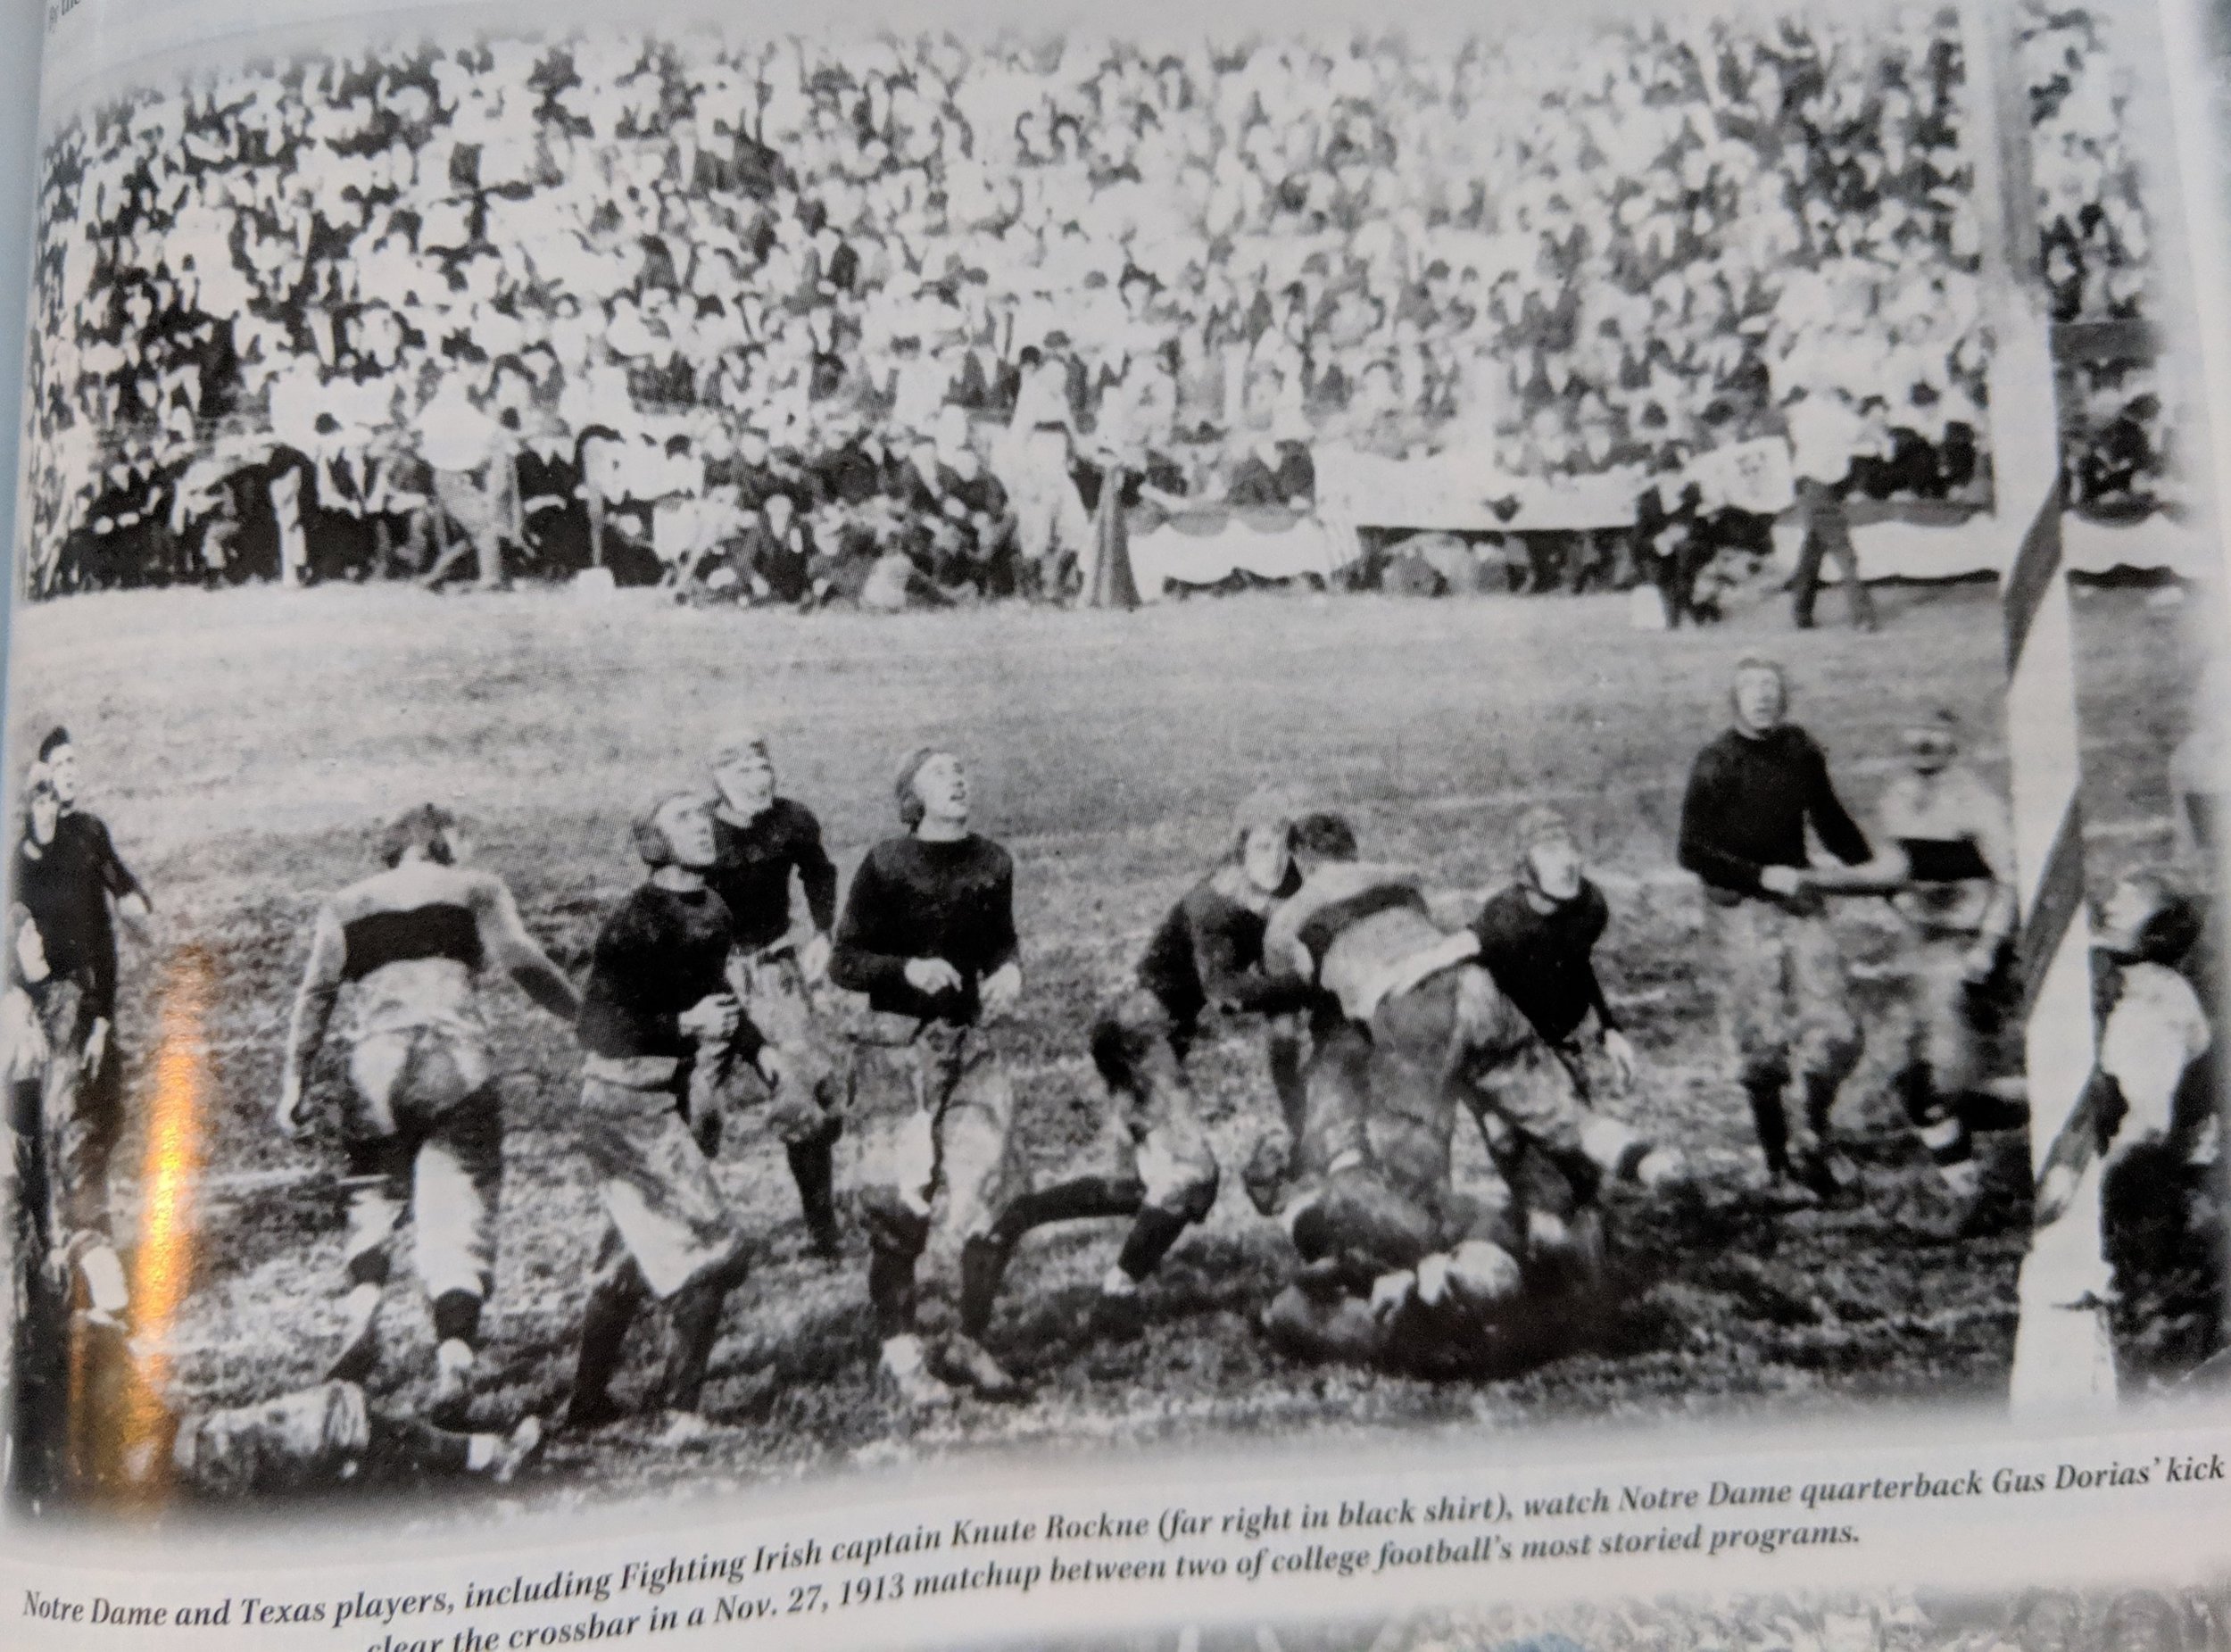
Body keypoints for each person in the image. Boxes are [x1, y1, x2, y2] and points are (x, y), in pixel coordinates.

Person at [966, 787, 1315, 1341]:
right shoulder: (1215, 901)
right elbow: (1224, 991)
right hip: (1135, 1034)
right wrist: (1307, 983)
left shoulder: (1284, 886)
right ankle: (1115, 1296)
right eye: (1263, 844)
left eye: (1284, 845)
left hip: (1149, 1036)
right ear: (1240, 848)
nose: (1275, 858)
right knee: (1190, 1177)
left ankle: (1016, 1217)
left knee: (1143, 1189)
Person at [279, 805, 579, 1420]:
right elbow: (522, 960)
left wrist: (293, 1082)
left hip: (373, 1068)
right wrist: (583, 1017)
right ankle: (454, 1359)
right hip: (453, 1063)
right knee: (458, 1214)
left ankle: (362, 1312)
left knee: (370, 1197)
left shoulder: (346, 903)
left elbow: (315, 996)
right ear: (442, 841)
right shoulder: (474, 888)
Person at [563, 792, 766, 1440]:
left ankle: (586, 1406)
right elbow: (595, 1024)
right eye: (683, 819)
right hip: (626, 1104)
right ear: (652, 839)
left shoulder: (711, 908)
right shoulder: (636, 919)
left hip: (661, 1101)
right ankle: (682, 1414)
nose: (702, 827)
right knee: (716, 1250)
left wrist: (761, 1053)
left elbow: (717, 992)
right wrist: (685, 1024)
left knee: (625, 1257)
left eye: (703, 817)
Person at [832, 748, 1026, 1404]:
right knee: (901, 1206)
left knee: (984, 1191)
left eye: (962, 769)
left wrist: (1008, 970)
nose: (958, 777)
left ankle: (963, 1338)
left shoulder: (993, 860)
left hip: (968, 1046)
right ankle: (902, 1351)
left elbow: (1000, 937)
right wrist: (907, 969)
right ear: (912, 794)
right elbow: (845, 961)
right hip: (896, 1054)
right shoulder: (887, 863)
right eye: (940, 772)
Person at [1805, 708, 2023, 1230]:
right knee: (1917, 1082)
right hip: (1925, 952)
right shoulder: (1898, 796)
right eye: (1916, 730)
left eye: (1937, 732)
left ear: (1955, 742)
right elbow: (1897, 871)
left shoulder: (1978, 803)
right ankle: (1969, 1188)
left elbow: (2012, 880)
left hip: (1968, 952)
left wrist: (1988, 948)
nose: (1924, 741)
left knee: (1945, 1085)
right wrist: (1821, 879)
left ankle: (2070, 1123)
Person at [1677, 658, 1872, 1196]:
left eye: (1771, 687)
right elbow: (1691, 850)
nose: (1762, 696)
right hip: (1741, 909)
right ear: (1734, 699)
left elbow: (1830, 819)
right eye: (1750, 688)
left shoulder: (1799, 750)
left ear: (1784, 696)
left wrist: (1875, 873)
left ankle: (1814, 1134)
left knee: (1836, 1029)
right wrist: (1760, 875)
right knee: (1759, 1041)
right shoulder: (1717, 761)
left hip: (1796, 904)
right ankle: (1775, 1165)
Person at [701, 733, 845, 1257]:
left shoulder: (789, 820)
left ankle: (823, 1228)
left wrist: (824, 934)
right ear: (717, 778)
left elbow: (819, 872)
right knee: (687, 1104)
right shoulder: (700, 831)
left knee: (809, 1099)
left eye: (762, 766)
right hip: (709, 976)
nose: (756, 779)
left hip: (773, 969)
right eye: (740, 770)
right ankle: (664, 1238)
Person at [11, 760, 133, 1325]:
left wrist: (99, 1022)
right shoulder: (16, 868)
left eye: (47, 797)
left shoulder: (70, 862)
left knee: (71, 1152)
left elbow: (100, 940)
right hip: (33, 1025)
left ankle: (103, 1289)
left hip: (66, 1020)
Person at [1468, 806, 1645, 1151]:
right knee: (1521, 1147)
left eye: (1569, 848)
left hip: (1564, 1036)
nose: (1566, 862)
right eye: (1550, 851)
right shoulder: (1502, 922)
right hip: (1515, 1046)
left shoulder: (1589, 906)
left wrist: (1610, 1030)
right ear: (1525, 866)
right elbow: (1476, 993)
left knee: (1578, 1148)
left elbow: (1577, 964)